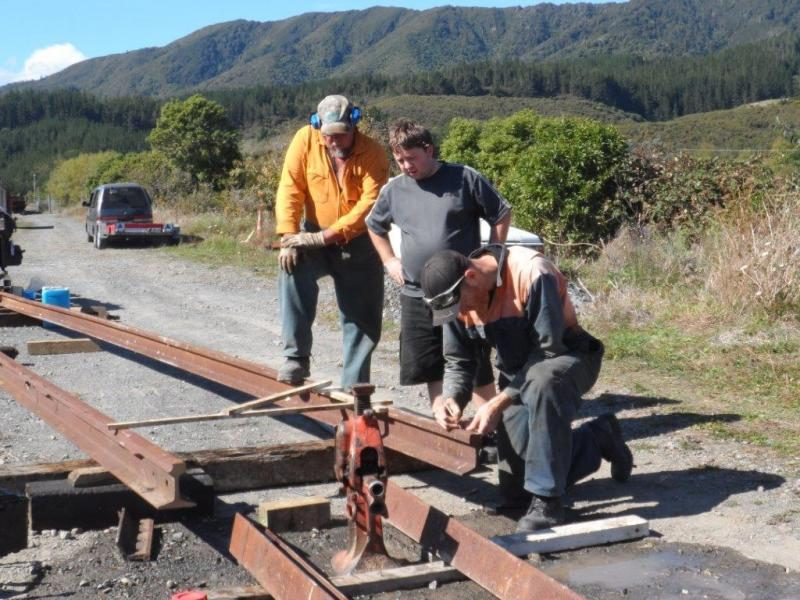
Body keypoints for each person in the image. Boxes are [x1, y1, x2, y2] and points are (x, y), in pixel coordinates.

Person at [420, 245, 634, 532]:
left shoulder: (531, 272)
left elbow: (548, 351)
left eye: (461, 307)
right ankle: (597, 438)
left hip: (567, 358)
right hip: (520, 378)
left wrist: (497, 403)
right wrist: (453, 399)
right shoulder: (459, 301)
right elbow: (459, 360)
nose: (462, 314)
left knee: (545, 383)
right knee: (518, 491)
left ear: (470, 276)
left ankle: (548, 502)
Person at [366, 120, 512, 428]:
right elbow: (374, 225)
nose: (406, 166)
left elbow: (500, 211)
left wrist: (494, 253)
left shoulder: (463, 178)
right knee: (430, 361)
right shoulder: (394, 190)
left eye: (412, 158)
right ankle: (445, 422)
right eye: (400, 160)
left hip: (460, 290)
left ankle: (494, 429)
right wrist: (389, 261)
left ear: (429, 149)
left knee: (471, 360)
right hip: (416, 291)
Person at [274, 95, 389, 388]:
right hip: (312, 233)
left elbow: (370, 205)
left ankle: (354, 388)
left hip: (359, 243)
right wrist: (289, 236)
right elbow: (290, 187)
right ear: (317, 128)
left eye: (341, 134)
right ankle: (296, 359)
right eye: (329, 136)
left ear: (354, 125)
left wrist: (326, 236)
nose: (335, 141)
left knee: (361, 319)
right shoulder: (305, 140)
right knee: (292, 266)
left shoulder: (374, 153)